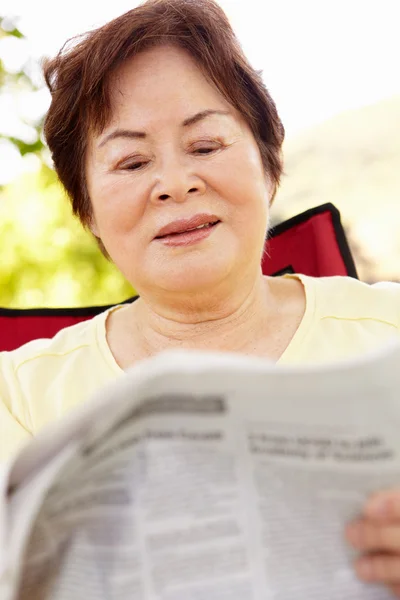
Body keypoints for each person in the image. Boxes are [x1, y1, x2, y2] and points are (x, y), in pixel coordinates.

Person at [1, 0, 400, 593]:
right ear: (87, 211)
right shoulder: (19, 396)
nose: (175, 183)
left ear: (269, 164)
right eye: (132, 161)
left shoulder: (386, 330)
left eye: (206, 146)